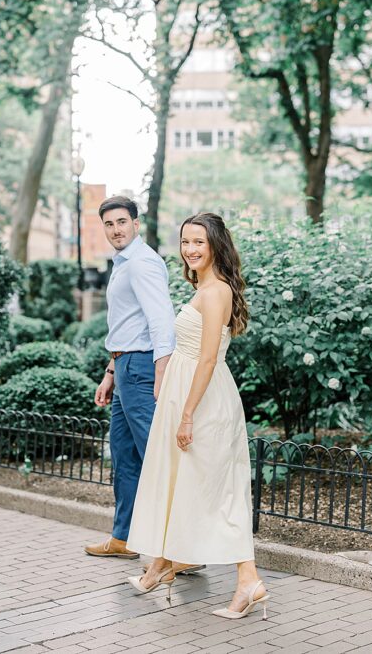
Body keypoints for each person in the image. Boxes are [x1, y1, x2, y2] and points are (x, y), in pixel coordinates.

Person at [124, 212, 269, 620]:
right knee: (184, 483)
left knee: (218, 492)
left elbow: (207, 359)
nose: (190, 249)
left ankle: (246, 579)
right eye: (185, 241)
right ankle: (163, 565)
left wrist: (187, 413)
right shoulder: (204, 287)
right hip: (188, 395)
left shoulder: (216, 291)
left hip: (203, 402)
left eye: (198, 242)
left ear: (215, 246)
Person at [84, 196, 177, 561]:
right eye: (109, 224)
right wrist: (110, 372)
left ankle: (178, 548)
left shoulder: (142, 264)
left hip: (141, 370)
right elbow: (127, 325)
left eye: (122, 222)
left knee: (156, 456)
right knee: (124, 457)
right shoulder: (123, 264)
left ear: (136, 223)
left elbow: (161, 322)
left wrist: (161, 372)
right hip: (123, 367)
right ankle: (124, 537)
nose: (116, 230)